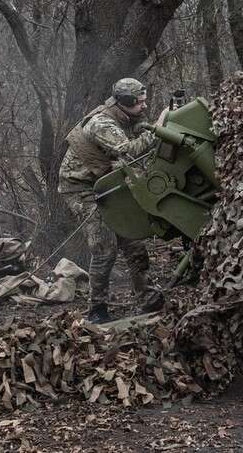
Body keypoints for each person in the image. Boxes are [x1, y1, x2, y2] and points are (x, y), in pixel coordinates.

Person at [58, 78, 165, 323]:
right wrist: (160, 128)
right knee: (105, 246)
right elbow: (128, 150)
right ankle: (96, 309)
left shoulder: (125, 117)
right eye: (140, 103)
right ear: (125, 102)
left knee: (134, 239)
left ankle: (147, 298)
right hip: (81, 188)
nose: (144, 107)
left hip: (107, 183)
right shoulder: (102, 123)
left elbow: (137, 138)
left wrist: (150, 126)